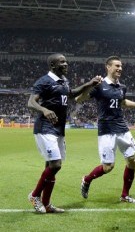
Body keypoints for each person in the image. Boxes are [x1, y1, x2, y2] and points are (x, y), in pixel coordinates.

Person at [27, 53, 102, 213]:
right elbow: (31, 102)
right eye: (62, 62)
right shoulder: (44, 81)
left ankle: (46, 204)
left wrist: (90, 83)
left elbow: (72, 93)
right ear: (53, 65)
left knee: (51, 166)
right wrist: (44, 109)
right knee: (56, 164)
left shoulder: (64, 82)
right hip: (45, 127)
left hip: (58, 129)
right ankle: (34, 195)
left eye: (66, 61)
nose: (66, 64)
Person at [76, 56, 135, 203]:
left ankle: (125, 195)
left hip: (122, 128)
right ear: (108, 67)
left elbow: (122, 102)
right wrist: (90, 84)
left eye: (121, 66)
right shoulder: (99, 86)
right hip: (106, 130)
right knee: (108, 167)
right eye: (117, 66)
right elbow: (79, 99)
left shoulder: (122, 87)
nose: (120, 68)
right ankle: (87, 179)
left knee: (132, 160)